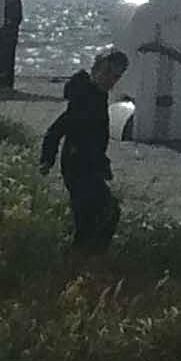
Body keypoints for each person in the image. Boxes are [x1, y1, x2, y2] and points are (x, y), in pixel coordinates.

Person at [40, 48, 130, 248]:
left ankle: (85, 259)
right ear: (96, 69)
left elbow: (96, 138)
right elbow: (56, 129)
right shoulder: (84, 97)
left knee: (99, 215)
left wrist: (102, 164)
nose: (111, 80)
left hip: (90, 165)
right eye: (107, 73)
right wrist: (47, 160)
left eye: (116, 76)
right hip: (76, 165)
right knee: (100, 214)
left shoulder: (98, 95)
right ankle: (81, 260)